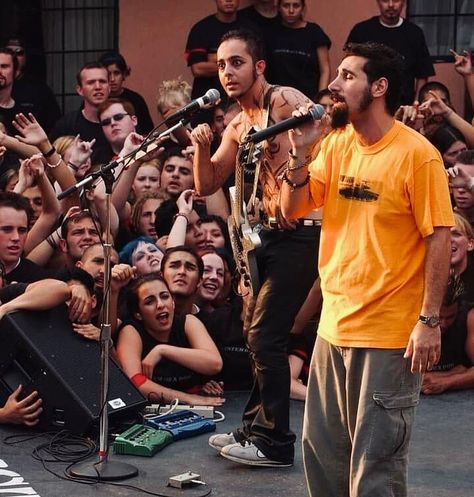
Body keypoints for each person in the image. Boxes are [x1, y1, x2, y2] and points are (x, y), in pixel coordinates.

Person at [280, 42, 454, 496]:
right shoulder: (335, 143)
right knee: (323, 461)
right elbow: (292, 210)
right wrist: (299, 151)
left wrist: (429, 320)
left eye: (347, 76)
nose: (334, 85)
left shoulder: (418, 155)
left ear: (379, 87)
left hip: (389, 337)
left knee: (374, 471)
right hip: (332, 330)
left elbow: (439, 236)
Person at [191, 28, 319, 467]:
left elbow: (312, 143)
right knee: (256, 332)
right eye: (222, 64)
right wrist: (200, 148)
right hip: (262, 235)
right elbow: (207, 183)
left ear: (259, 66)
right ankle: (254, 429)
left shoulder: (280, 101)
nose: (227, 72)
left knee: (266, 334)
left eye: (237, 62)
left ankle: (275, 442)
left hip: (300, 230)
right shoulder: (238, 122)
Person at [116, 273, 224, 406]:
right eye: (150, 301)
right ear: (138, 314)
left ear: (172, 302)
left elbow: (215, 364)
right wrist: (188, 399)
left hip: (199, 404)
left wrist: (162, 350)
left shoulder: (188, 322)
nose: (160, 305)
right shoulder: (131, 331)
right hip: (154, 410)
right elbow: (135, 382)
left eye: (164, 296)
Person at [346, 0, 434, 104]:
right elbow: (348, 69)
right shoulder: (361, 31)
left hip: (403, 106)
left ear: (404, 2)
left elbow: (422, 74)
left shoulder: (414, 33)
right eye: (385, 0)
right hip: (368, 104)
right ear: (378, 2)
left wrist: (416, 104)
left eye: (396, 0)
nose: (391, 5)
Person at [266, 0, 331, 100]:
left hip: (308, 99)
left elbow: (325, 70)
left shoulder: (314, 32)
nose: (291, 10)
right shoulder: (271, 32)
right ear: (278, 7)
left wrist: (320, 99)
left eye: (296, 6)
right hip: (277, 98)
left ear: (303, 8)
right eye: (286, 5)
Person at [49, 62, 112, 164]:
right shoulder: (66, 125)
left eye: (102, 81)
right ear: (80, 90)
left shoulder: (121, 122)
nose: (97, 86)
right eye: (91, 82)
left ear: (109, 88)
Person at [421, 275, 474, 395]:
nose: (444, 324)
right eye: (437, 318)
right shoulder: (407, 318)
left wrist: (447, 382)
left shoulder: (470, 317)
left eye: (450, 317)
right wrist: (454, 372)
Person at [99, 51, 154, 134]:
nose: (112, 79)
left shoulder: (136, 100)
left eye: (116, 73)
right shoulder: (98, 100)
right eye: (108, 74)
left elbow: (148, 132)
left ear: (124, 74)